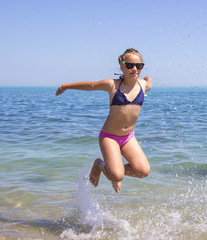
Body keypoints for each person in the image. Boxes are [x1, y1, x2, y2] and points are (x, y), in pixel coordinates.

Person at [56, 48, 152, 193]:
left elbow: (148, 81)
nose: (134, 69)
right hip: (109, 137)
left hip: (128, 137)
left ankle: (114, 171)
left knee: (143, 171)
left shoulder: (142, 85)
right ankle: (99, 165)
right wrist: (65, 87)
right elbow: (89, 86)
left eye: (139, 66)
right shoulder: (112, 85)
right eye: (130, 65)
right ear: (122, 66)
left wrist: (148, 79)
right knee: (116, 175)